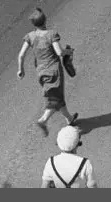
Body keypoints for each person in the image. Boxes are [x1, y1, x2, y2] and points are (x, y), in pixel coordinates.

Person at [17, 8, 78, 137]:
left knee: (56, 96)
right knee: (55, 98)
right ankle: (43, 120)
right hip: (54, 71)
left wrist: (21, 70)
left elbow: (21, 55)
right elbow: (59, 52)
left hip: (41, 72)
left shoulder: (30, 36)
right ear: (45, 20)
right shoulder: (51, 34)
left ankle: (70, 119)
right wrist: (68, 52)